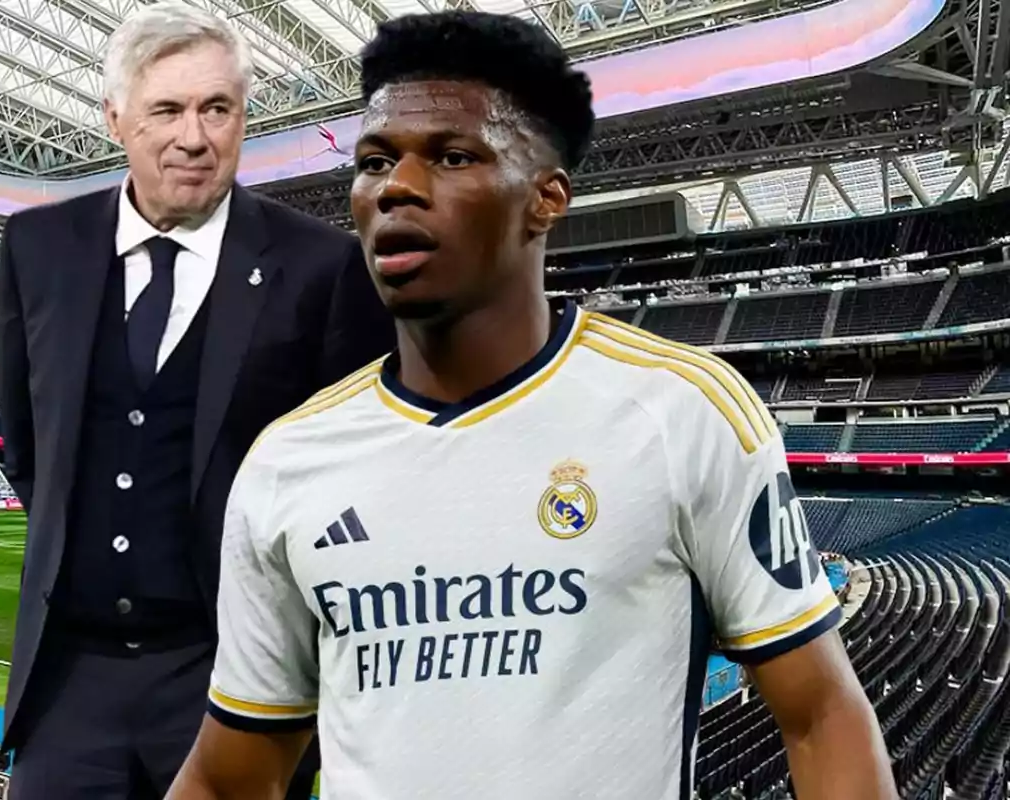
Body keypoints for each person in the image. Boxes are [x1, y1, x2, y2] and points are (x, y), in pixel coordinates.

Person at [168, 11, 897, 800]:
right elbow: (230, 774)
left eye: (451, 156)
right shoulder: (287, 461)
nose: (396, 189)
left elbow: (820, 715)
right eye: (375, 161)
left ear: (546, 199)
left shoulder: (683, 410)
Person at [0, 2, 393, 797]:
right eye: (167, 110)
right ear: (116, 119)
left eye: (218, 109)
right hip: (70, 680)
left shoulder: (323, 268)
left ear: (244, 117)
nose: (194, 136)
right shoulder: (38, 248)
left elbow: (356, 478)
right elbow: (27, 445)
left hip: (236, 677)